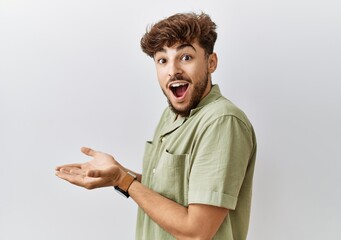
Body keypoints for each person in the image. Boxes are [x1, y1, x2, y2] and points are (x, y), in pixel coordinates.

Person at [55, 12, 257, 240]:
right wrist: (118, 173)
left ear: (211, 62)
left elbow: (197, 232)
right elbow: (168, 191)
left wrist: (123, 181)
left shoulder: (223, 121)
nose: (172, 70)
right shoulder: (171, 114)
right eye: (162, 60)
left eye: (186, 57)